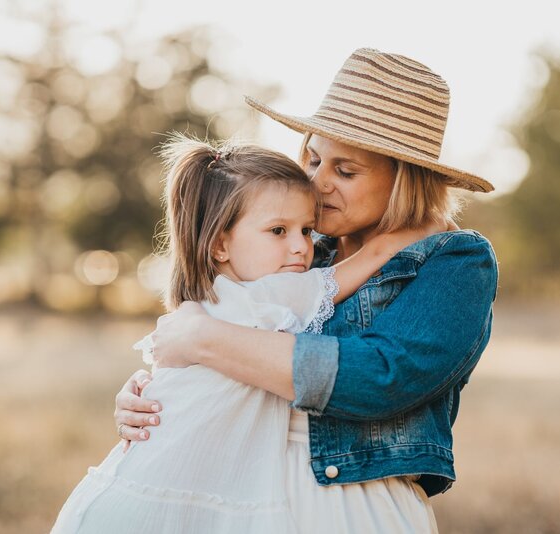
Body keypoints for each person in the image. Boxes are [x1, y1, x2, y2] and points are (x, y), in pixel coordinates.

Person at [114, 48, 499, 533]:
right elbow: (224, 317)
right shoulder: (296, 243)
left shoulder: (456, 260)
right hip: (238, 486)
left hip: (354, 499)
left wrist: (204, 341)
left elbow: (383, 378)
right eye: (313, 159)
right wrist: (152, 396)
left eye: (345, 171)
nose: (316, 184)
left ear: (404, 178)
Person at [50, 134, 430, 533]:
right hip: (179, 481)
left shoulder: (213, 300)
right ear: (219, 246)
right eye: (279, 231)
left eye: (305, 229)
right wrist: (431, 226)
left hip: (154, 471)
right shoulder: (272, 295)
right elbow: (372, 257)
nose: (303, 247)